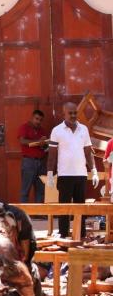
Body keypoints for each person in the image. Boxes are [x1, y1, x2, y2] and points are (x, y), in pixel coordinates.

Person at [47, 102, 99, 238]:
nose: (73, 115)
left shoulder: (84, 129)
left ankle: (80, 235)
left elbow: (88, 152)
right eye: (70, 113)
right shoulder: (56, 131)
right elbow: (52, 155)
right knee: (64, 207)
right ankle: (63, 235)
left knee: (80, 207)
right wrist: (50, 175)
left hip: (81, 175)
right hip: (65, 175)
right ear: (63, 114)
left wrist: (93, 171)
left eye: (75, 112)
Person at [18, 109, 47, 203]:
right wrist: (38, 142)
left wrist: (44, 144)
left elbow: (45, 147)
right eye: (36, 119)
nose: (38, 121)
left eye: (40, 120)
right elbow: (22, 141)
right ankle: (24, 215)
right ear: (32, 117)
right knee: (25, 190)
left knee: (41, 190)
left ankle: (39, 214)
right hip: (29, 162)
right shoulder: (24, 127)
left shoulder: (42, 130)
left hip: (41, 162)